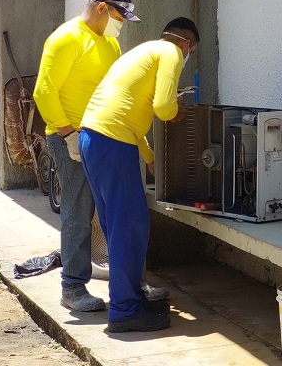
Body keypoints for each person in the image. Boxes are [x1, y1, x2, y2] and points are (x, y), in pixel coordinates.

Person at [79, 17, 199, 332]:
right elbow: (162, 106)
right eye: (191, 52)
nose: (186, 59)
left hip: (94, 138)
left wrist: (148, 157)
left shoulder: (144, 51)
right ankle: (124, 311)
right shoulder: (172, 53)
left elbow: (130, 112)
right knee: (129, 228)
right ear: (186, 44)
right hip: (113, 142)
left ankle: (131, 298)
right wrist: (177, 109)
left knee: (119, 226)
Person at [33, 0, 140, 312]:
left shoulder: (110, 43)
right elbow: (43, 92)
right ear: (103, 9)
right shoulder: (67, 38)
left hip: (102, 139)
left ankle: (129, 281)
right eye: (120, 16)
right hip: (70, 138)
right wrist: (68, 134)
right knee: (78, 212)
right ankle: (72, 286)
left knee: (111, 211)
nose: (121, 24)